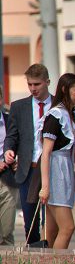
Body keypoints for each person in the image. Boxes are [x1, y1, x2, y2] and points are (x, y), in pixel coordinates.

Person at [36, 73, 75, 249]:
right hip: (55, 174)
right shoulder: (56, 115)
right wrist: (45, 187)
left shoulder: (73, 116)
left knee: (51, 231)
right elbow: (46, 153)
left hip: (65, 172)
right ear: (64, 90)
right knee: (67, 227)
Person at [3, 64, 52, 244]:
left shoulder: (59, 105)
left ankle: (53, 258)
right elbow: (12, 136)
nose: (33, 89)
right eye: (30, 84)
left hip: (51, 171)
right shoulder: (19, 107)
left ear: (47, 82)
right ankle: (34, 257)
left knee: (51, 220)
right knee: (30, 222)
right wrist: (9, 150)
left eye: (37, 84)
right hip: (27, 170)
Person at [0, 88, 17, 246]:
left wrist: (16, 158)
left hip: (8, 178)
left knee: (6, 231)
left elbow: (22, 143)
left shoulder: (10, 119)